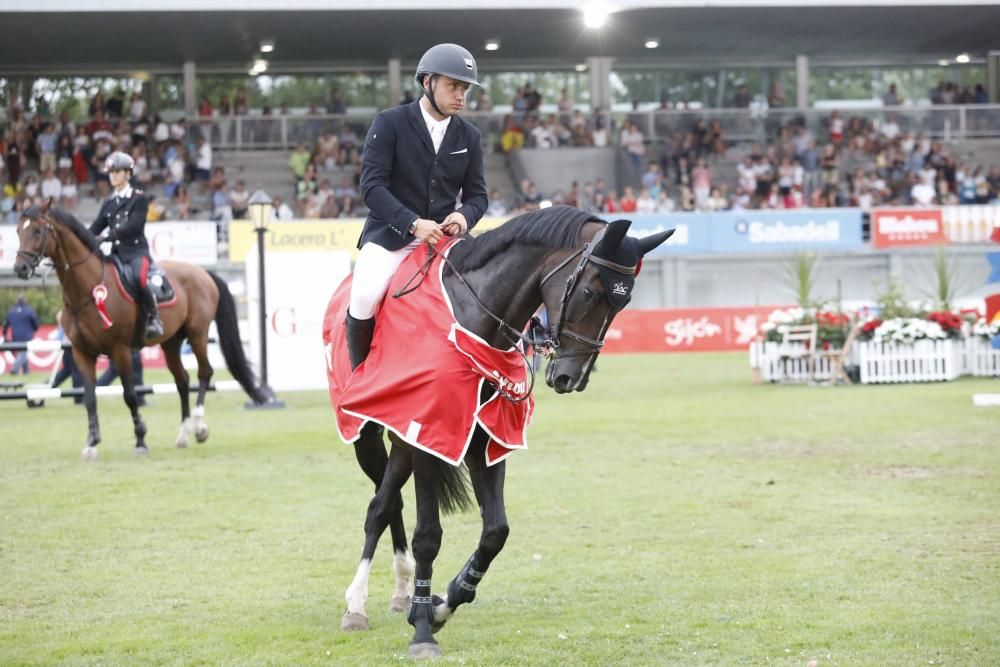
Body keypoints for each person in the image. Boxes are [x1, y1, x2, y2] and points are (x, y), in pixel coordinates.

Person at [346, 42, 488, 370]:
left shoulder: (470, 136)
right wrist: (412, 223)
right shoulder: (389, 123)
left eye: (465, 89)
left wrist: (463, 218)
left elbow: (478, 197)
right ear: (427, 82)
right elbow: (371, 187)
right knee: (364, 296)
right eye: (453, 86)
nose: (461, 96)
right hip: (391, 236)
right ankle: (360, 378)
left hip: (445, 240)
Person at [89, 151, 163, 340]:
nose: (113, 175)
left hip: (136, 253)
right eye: (111, 172)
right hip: (116, 255)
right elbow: (96, 226)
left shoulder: (139, 198)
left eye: (118, 171)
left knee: (139, 279)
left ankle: (154, 318)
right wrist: (80, 238)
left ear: (128, 174)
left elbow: (134, 226)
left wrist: (108, 236)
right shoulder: (109, 203)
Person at [3, 293, 39, 375]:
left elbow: (5, 324)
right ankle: (14, 369)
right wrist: (34, 329)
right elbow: (35, 323)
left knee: (22, 353)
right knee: (23, 353)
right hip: (27, 336)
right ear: (24, 301)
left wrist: (4, 334)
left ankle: (26, 371)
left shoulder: (11, 311)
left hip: (15, 336)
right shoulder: (29, 311)